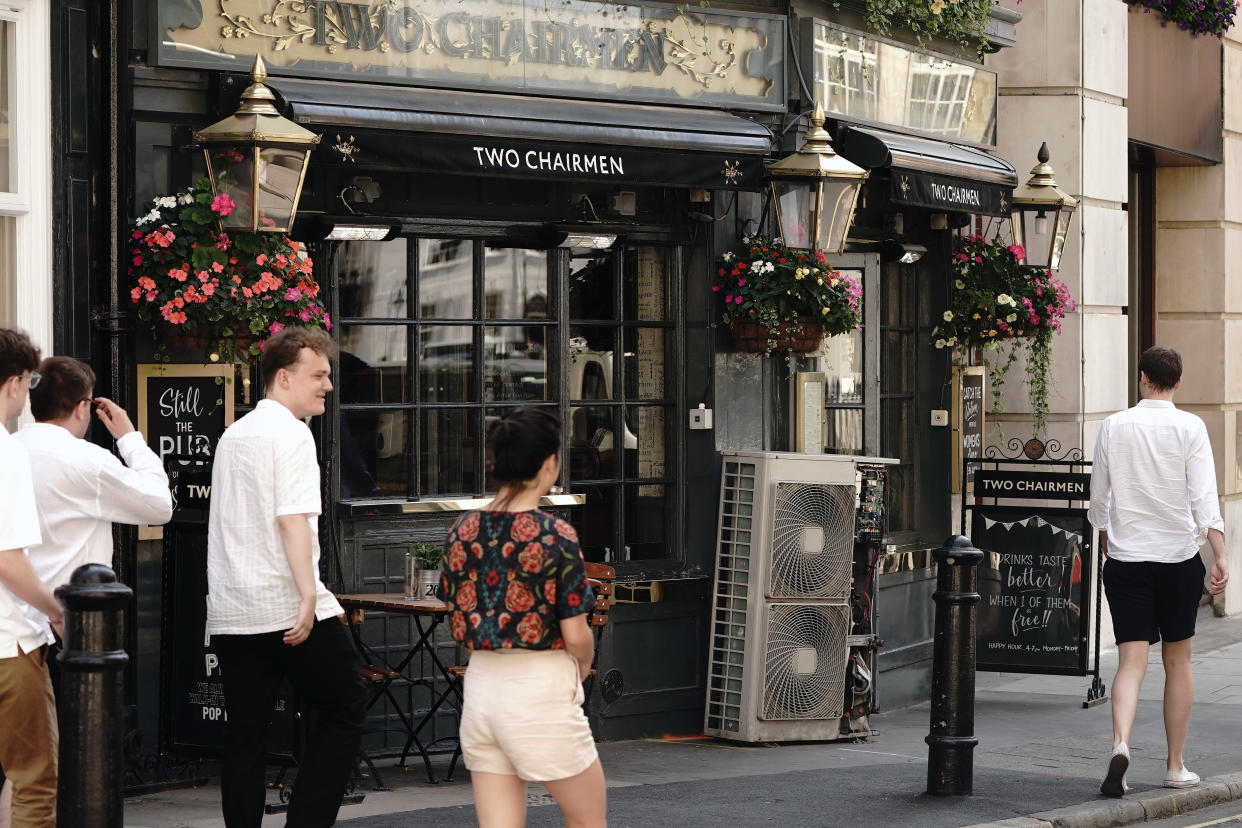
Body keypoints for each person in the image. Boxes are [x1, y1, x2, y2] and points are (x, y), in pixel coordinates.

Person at [206, 327, 364, 827]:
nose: (328, 386)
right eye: (319, 375)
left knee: (245, 737)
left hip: (234, 609)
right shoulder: (292, 434)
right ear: (283, 377)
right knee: (345, 708)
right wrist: (305, 597)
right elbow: (292, 519)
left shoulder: (234, 434)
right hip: (286, 605)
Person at [439, 406, 606, 828]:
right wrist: (584, 663)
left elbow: (453, 606)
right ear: (550, 464)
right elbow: (575, 629)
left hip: (481, 689)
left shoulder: (463, 528)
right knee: (588, 821)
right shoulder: (554, 535)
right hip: (539, 688)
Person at [1089, 345, 1229, 797]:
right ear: (1178, 382)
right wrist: (1220, 553)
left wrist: (1105, 531)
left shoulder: (1114, 425)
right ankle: (1174, 765)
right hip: (1177, 560)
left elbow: (1099, 498)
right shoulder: (1191, 427)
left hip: (1127, 561)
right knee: (1178, 661)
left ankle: (1121, 744)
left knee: (1131, 661)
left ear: (1142, 378)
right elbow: (1204, 498)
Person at [15, 356, 173, 673]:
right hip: (67, 629)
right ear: (82, 407)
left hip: (13, 629)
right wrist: (129, 438)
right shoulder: (87, 461)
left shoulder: (10, 451)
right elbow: (159, 505)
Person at [0, 328, 63, 827]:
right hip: (7, 643)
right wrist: (57, 610)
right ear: (15, 384)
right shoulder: (5, 451)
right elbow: (8, 561)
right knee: (35, 780)